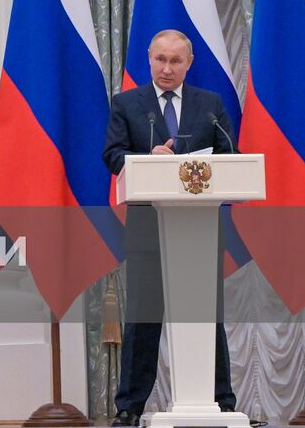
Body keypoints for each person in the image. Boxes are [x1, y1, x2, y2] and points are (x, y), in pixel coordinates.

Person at [102, 29, 237, 427]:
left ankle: (222, 403)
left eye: (175, 61)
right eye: (160, 59)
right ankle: (130, 408)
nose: (166, 68)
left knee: (205, 316)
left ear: (189, 64)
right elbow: (112, 154)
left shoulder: (210, 105)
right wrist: (148, 159)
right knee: (144, 317)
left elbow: (229, 155)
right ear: (149, 59)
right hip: (148, 227)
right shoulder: (127, 104)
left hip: (199, 230)